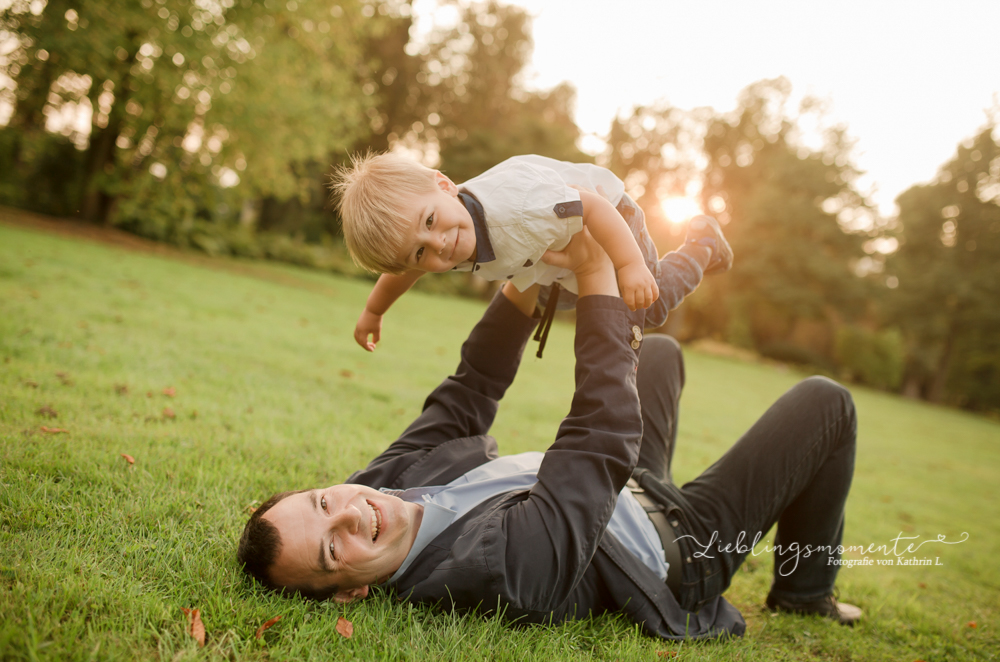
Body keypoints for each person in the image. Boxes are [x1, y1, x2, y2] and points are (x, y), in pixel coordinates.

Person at [236, 228, 862, 639]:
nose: (346, 516)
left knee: (660, 354)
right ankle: (805, 594)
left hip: (626, 491)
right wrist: (595, 279)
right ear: (352, 594)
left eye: (322, 503)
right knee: (825, 403)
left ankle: (680, 267)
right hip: (679, 547)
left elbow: (468, 391)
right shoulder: (493, 572)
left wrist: (522, 281)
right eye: (330, 550)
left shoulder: (380, 488)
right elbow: (599, 436)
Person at [331, 152, 731, 353]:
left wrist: (628, 265)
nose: (438, 244)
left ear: (443, 184)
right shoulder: (445, 231)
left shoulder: (518, 207)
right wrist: (374, 310)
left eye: (431, 222)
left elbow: (592, 205)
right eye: (420, 252)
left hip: (610, 218)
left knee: (648, 305)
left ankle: (701, 244)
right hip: (546, 249)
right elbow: (403, 271)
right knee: (552, 296)